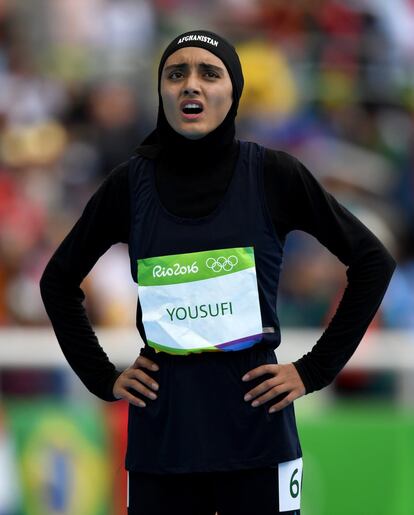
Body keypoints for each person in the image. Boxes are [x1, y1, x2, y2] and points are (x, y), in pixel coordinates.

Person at [40, 29, 395, 515]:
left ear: (234, 91)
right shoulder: (129, 184)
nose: (191, 85)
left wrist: (313, 370)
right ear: (161, 91)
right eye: (175, 73)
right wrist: (103, 378)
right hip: (161, 444)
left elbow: (374, 261)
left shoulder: (274, 174)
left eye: (209, 73)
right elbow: (57, 282)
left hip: (258, 437)